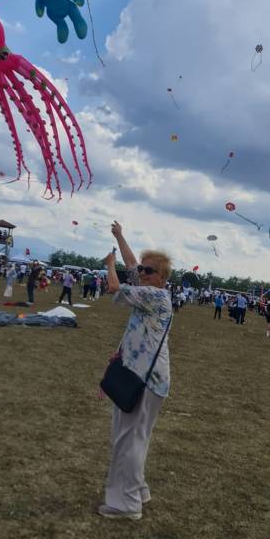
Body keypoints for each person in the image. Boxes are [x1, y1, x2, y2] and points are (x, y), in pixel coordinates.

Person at [99, 220, 173, 521]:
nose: (141, 274)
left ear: (162, 278)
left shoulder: (155, 296)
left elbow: (115, 286)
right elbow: (133, 265)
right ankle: (138, 488)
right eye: (142, 270)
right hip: (144, 376)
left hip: (143, 380)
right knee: (133, 436)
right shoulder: (151, 290)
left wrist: (109, 264)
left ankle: (126, 504)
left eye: (148, 271)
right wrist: (120, 236)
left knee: (128, 438)